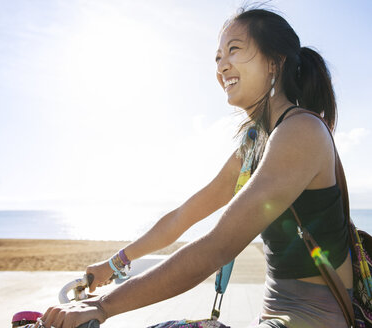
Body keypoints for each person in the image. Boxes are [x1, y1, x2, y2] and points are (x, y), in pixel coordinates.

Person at [41, 7, 353, 328]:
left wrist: (104, 306)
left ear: (275, 61)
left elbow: (218, 245)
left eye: (234, 50)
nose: (221, 66)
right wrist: (116, 263)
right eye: (217, 57)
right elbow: (182, 217)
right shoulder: (253, 145)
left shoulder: (301, 131)